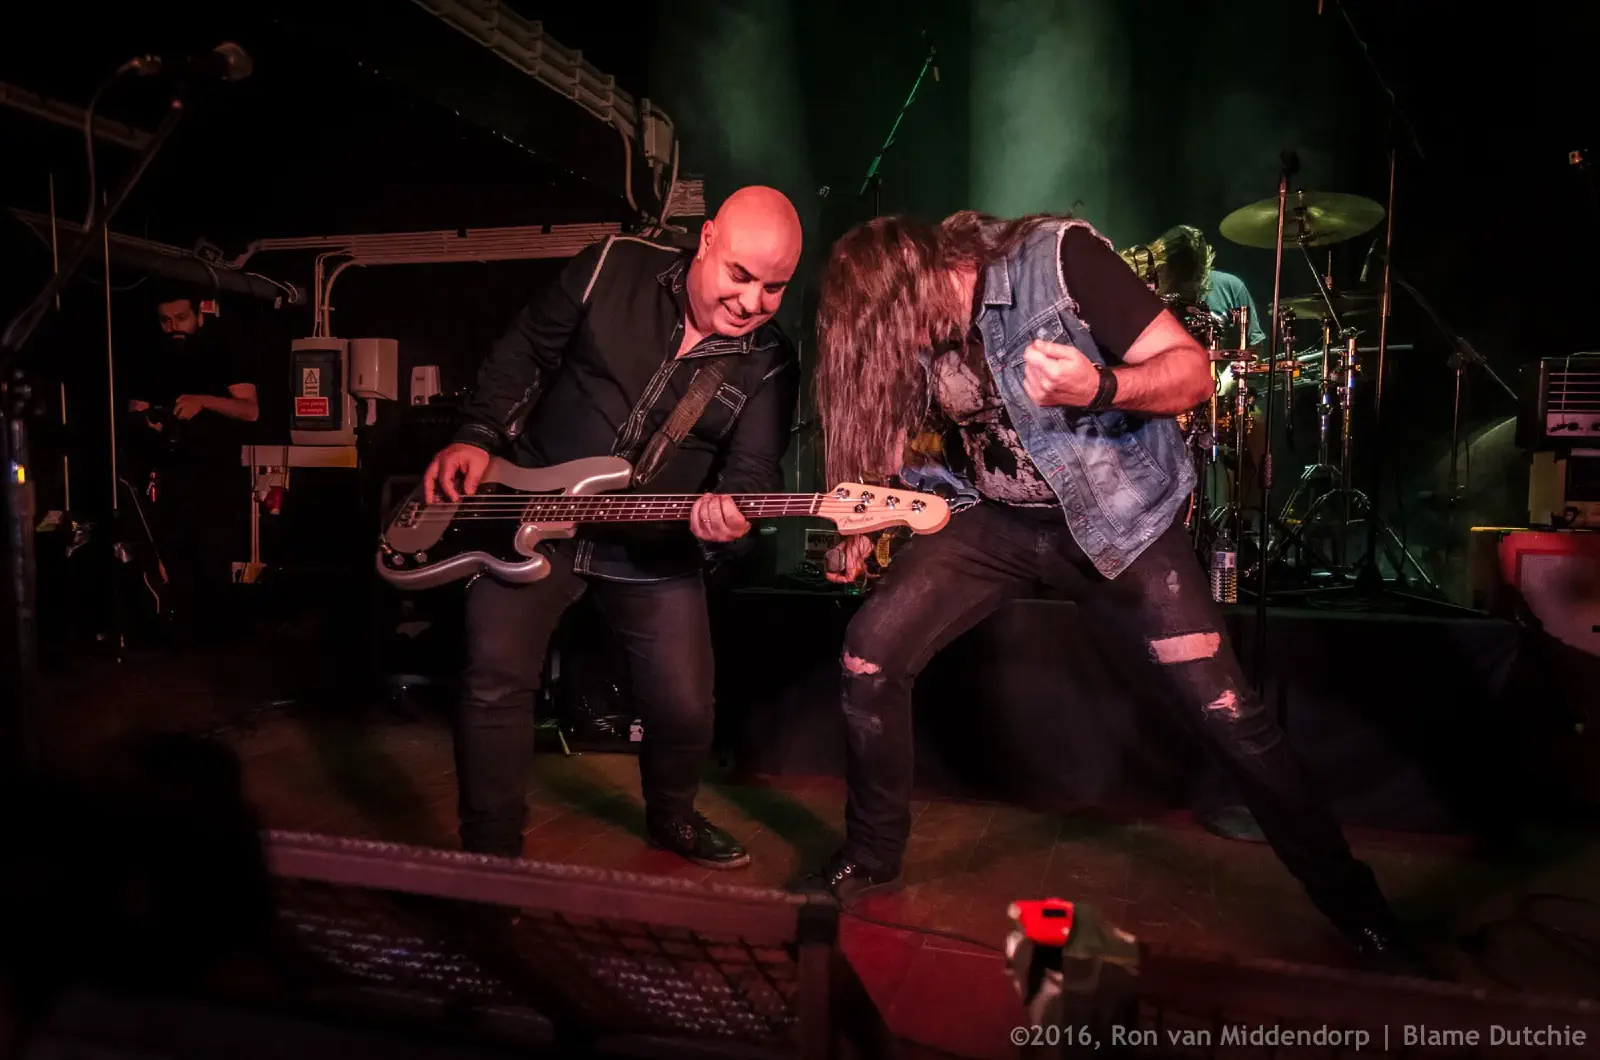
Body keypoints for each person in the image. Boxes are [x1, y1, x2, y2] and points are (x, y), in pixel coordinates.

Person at [804, 211, 1422, 973]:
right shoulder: (917, 330)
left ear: (919, 279)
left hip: (1122, 523)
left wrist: (1099, 385)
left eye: (899, 329)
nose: (908, 348)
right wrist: (862, 518)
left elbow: (1191, 372)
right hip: (997, 520)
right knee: (869, 653)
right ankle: (870, 856)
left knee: (1230, 714)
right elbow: (892, 434)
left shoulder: (1058, 259)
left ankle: (1357, 908)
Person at [423, 186, 802, 866]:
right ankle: (490, 856)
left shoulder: (770, 359)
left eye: (774, 288)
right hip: (535, 512)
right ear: (707, 239)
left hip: (652, 544)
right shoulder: (613, 264)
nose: (752, 303)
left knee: (684, 706)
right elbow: (525, 350)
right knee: (494, 679)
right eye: (741, 275)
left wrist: (732, 513)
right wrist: (477, 435)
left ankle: (672, 819)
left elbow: (752, 471)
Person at [123, 289, 257, 645]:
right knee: (173, 557)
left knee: (213, 557)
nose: (173, 327)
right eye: (166, 321)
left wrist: (204, 401)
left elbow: (250, 410)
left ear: (198, 315)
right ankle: (179, 639)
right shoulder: (153, 359)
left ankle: (217, 644)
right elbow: (139, 411)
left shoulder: (221, 352)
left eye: (181, 318)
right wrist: (148, 418)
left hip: (215, 476)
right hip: (169, 474)